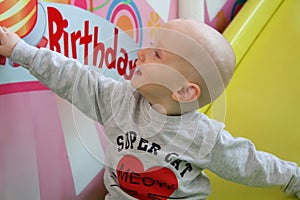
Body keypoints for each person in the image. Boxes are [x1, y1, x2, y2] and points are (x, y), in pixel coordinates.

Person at [0, 19, 299, 199]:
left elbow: (251, 164)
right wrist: (20, 51)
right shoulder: (119, 100)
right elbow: (75, 77)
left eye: (156, 53)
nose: (141, 52)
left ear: (184, 90)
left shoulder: (205, 138)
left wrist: (292, 178)